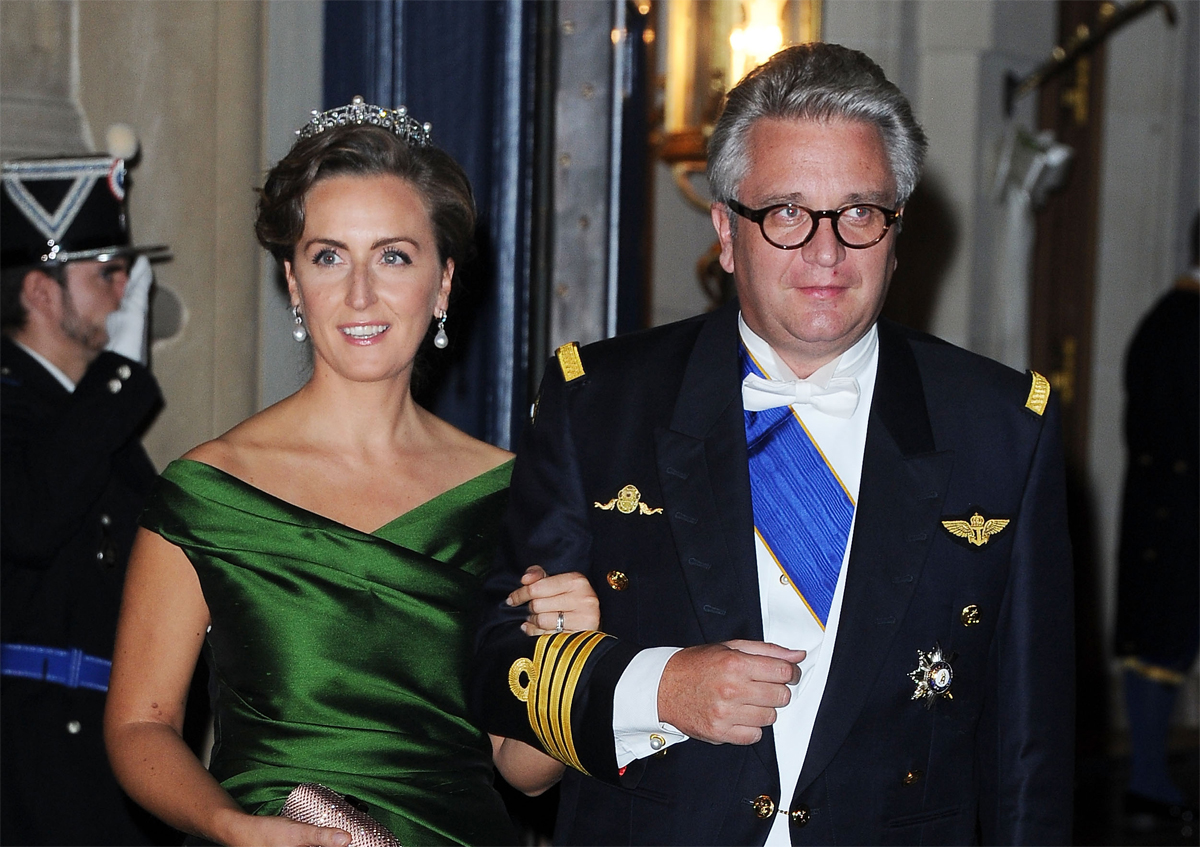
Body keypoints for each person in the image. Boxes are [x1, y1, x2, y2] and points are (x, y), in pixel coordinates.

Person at [471, 42, 1074, 845]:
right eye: (787, 212)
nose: (826, 252)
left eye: (859, 212)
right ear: (725, 232)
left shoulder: (1003, 425)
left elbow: (1030, 752)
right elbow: (500, 664)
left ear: (897, 232)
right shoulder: (599, 403)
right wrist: (657, 684)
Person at [103, 99, 599, 847]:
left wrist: (568, 657)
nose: (359, 293)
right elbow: (141, 724)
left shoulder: (513, 492)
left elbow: (522, 768)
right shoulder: (208, 491)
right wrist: (231, 825)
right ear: (294, 282)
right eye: (329, 256)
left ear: (442, 283)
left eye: (394, 256)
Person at [0, 154, 175, 846]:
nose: (127, 288)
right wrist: (117, 378)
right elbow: (30, 520)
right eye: (105, 270)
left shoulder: (92, 424)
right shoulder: (22, 407)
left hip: (105, 763)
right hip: (30, 764)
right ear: (41, 293)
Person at [1113, 212, 1199, 831]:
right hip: (1176, 511)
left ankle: (1149, 779)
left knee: (1162, 639)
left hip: (1169, 507)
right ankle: (1146, 780)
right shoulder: (1183, 323)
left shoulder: (1172, 316)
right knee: (1159, 640)